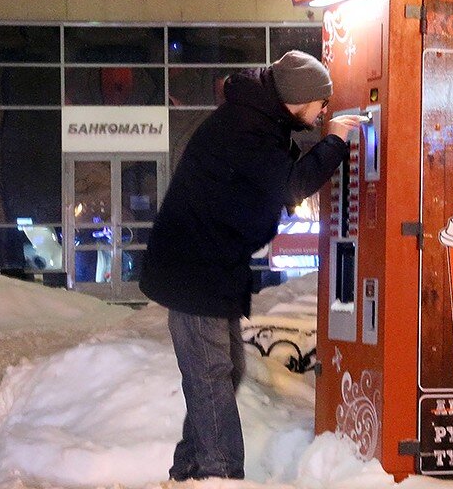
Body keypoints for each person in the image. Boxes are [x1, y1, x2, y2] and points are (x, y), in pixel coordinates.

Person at [140, 50, 364, 482]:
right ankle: (222, 473)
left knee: (222, 372)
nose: (322, 113)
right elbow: (290, 185)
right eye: (321, 104)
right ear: (299, 99)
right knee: (210, 374)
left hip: (210, 266)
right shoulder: (248, 128)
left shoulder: (260, 120)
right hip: (195, 268)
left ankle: (190, 468)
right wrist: (334, 141)